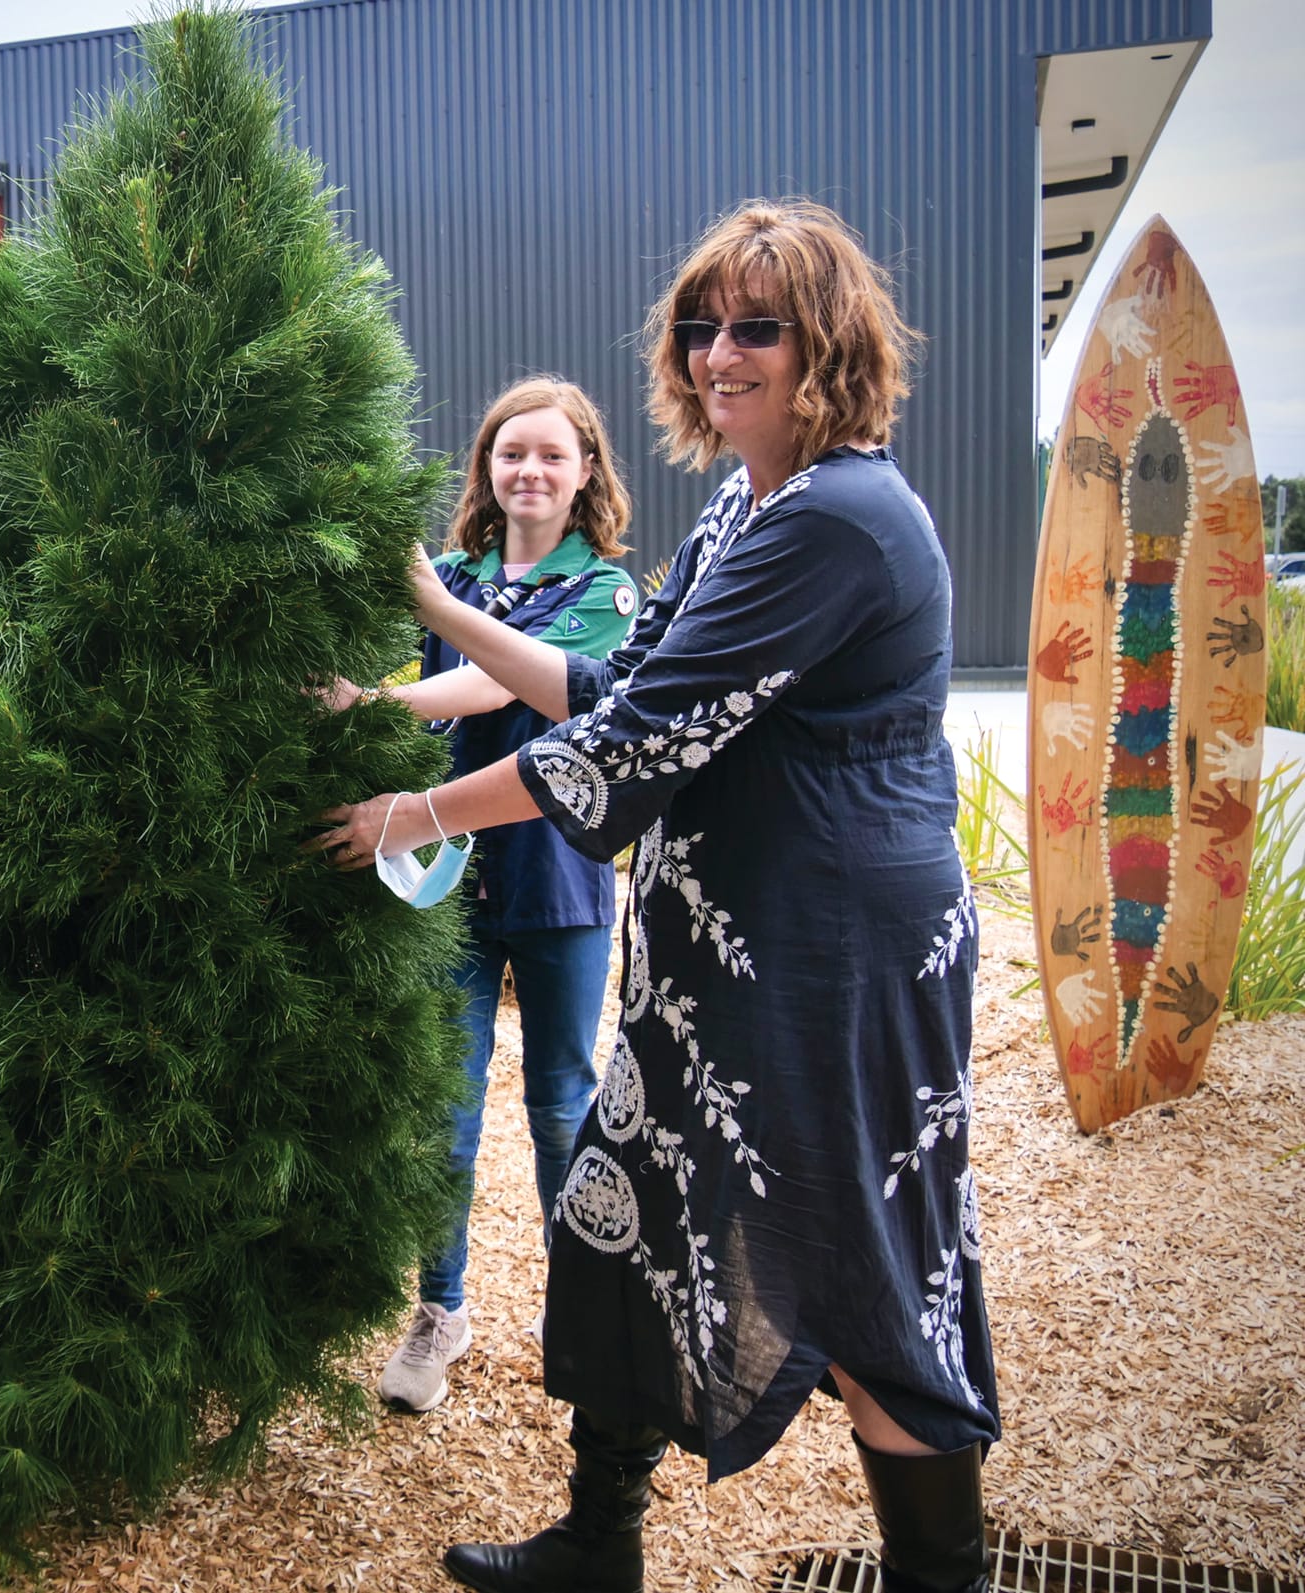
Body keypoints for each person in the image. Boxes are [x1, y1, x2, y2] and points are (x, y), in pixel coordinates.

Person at [319, 199, 998, 1593]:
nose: (720, 353)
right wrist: (435, 607)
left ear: (833, 344)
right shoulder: (753, 506)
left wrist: (419, 812)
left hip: (830, 964)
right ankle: (598, 1541)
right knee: (617, 1212)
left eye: (760, 326)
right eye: (703, 326)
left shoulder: (843, 519)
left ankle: (946, 1578)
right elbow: (619, 690)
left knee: (866, 1275)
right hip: (722, 960)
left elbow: (627, 747)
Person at [329, 378, 638, 1413]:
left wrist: (370, 696)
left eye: (552, 455)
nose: (529, 472)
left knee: (560, 1104)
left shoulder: (606, 593)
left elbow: (497, 686)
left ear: (585, 471)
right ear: (486, 470)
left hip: (557, 879)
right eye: (511, 454)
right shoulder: (447, 572)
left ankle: (580, 1308)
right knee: (442, 1117)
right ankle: (438, 1313)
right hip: (446, 887)